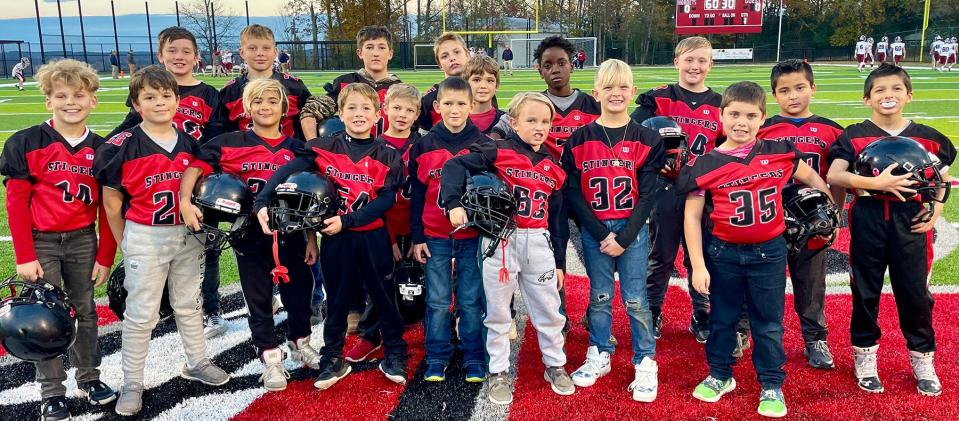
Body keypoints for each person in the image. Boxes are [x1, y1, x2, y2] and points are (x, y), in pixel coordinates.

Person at [680, 81, 833, 418]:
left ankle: (771, 382)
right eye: (734, 114)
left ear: (763, 118)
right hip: (723, 253)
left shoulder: (779, 151)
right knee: (722, 319)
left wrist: (828, 205)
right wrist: (698, 264)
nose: (741, 122)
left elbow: (810, 176)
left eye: (751, 115)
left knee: (768, 322)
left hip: (769, 251)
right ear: (720, 116)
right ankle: (721, 374)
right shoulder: (705, 163)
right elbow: (691, 216)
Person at [254, 83, 409, 389]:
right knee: (336, 300)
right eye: (351, 107)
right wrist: (262, 201)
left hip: (371, 235)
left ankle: (394, 352)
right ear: (340, 113)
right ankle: (333, 358)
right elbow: (285, 172)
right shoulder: (324, 146)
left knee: (383, 298)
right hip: (336, 239)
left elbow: (384, 202)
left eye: (366, 108)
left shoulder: (388, 154)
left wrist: (348, 220)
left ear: (378, 115)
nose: (358, 114)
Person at [97, 65, 230, 417]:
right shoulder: (122, 145)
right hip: (146, 234)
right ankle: (132, 382)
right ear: (137, 104)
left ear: (177, 99)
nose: (160, 102)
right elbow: (111, 204)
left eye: (166, 95)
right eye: (150, 97)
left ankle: (197, 361)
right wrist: (126, 241)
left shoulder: (190, 143)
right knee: (141, 314)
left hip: (186, 235)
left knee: (189, 303)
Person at [179, 78, 321, 392]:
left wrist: (311, 237)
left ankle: (300, 342)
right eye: (258, 101)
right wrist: (185, 200)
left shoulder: (300, 149)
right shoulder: (229, 141)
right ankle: (270, 357)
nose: (265, 107)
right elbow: (194, 168)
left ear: (284, 108)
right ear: (247, 108)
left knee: (300, 294)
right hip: (249, 235)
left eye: (272, 101)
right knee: (258, 299)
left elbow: (307, 198)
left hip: (292, 234)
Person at [826, 63, 955, 397]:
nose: (888, 95)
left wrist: (935, 212)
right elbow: (836, 175)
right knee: (865, 291)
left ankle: (923, 358)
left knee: (914, 294)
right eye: (880, 90)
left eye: (896, 89)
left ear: (909, 96)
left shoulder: (927, 136)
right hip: (868, 215)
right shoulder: (854, 133)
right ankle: (865, 357)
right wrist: (873, 182)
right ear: (867, 98)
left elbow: (943, 180)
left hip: (911, 219)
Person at [1, 58, 118, 421]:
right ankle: (52, 392)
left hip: (83, 240)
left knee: (85, 312)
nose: (71, 102)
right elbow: (16, 202)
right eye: (62, 95)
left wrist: (105, 254)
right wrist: (24, 254)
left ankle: (90, 377)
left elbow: (107, 208)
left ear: (92, 100)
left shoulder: (104, 149)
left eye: (79, 95)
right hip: (42, 241)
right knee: (44, 317)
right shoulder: (27, 142)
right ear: (48, 100)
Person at [441, 91, 574, 404]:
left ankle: (555, 364)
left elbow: (557, 220)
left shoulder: (553, 167)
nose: (539, 126)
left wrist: (560, 262)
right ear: (513, 122)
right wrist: (452, 203)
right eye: (531, 120)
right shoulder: (497, 149)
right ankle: (498, 370)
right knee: (499, 313)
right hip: (501, 241)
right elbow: (454, 167)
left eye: (545, 121)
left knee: (549, 311)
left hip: (539, 241)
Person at [105, 27, 227, 338]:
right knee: (163, 253)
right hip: (156, 182)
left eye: (186, 51)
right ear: (160, 56)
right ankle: (169, 307)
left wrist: (201, 170)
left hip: (198, 182)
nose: (179, 56)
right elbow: (126, 129)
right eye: (172, 51)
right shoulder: (149, 88)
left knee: (205, 249)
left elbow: (214, 141)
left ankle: (210, 309)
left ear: (196, 57)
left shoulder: (209, 94)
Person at [563, 59, 663, 402]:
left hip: (631, 230)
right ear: (596, 93)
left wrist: (623, 237)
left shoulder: (647, 138)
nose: (616, 93)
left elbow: (649, 194)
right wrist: (601, 233)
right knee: (600, 296)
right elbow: (573, 192)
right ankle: (599, 352)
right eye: (608, 87)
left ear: (633, 92)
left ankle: (646, 360)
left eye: (623, 87)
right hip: (595, 230)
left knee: (636, 299)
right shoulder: (579, 139)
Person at [630, 36, 724, 346]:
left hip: (703, 189)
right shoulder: (659, 98)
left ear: (710, 65)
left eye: (701, 60)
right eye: (689, 59)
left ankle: (702, 312)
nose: (694, 66)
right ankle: (654, 309)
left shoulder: (721, 105)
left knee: (702, 255)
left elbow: (730, 149)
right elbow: (633, 133)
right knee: (662, 254)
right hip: (666, 186)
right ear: (676, 62)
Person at [756, 59, 845, 369]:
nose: (792, 96)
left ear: (812, 88)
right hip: (769, 218)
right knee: (761, 281)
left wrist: (833, 214)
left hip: (813, 221)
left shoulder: (833, 130)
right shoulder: (763, 129)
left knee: (811, 283)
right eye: (784, 90)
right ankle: (748, 332)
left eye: (799, 88)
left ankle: (815, 338)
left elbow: (837, 176)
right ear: (774, 95)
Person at [408, 77, 487, 383]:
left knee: (470, 299)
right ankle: (438, 354)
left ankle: (473, 356)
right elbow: (417, 194)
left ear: (472, 106)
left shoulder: (483, 142)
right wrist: (417, 236)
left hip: (471, 235)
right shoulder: (424, 145)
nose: (455, 110)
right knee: (438, 300)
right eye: (449, 104)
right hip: (436, 235)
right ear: (437, 106)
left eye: (461, 104)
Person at [345, 83, 422, 362]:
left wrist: (418, 233)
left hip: (414, 224)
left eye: (409, 110)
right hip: (380, 227)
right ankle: (369, 334)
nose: (402, 115)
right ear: (384, 110)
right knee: (379, 282)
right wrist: (388, 238)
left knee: (419, 282)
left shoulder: (421, 145)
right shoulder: (374, 146)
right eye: (397, 108)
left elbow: (424, 193)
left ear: (417, 114)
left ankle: (426, 326)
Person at [300, 25, 404, 140]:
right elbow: (309, 112)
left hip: (390, 155)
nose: (376, 53)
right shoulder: (346, 84)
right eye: (369, 47)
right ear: (360, 53)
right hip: (351, 155)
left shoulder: (400, 90)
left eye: (382, 47)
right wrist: (313, 144)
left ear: (390, 54)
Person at [217, 24, 311, 142]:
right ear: (242, 52)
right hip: (243, 156)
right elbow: (220, 131)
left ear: (275, 52)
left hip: (287, 156)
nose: (260, 53)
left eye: (266, 48)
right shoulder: (230, 91)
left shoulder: (295, 87)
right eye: (252, 48)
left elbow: (308, 120)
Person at [418, 33, 471, 131]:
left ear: (467, 55)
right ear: (440, 65)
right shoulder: (430, 98)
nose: (452, 58)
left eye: (457, 52)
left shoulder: (480, 92)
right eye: (445, 56)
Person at [463, 56, 506, 135]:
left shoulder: (506, 121)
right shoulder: (456, 119)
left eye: (490, 81)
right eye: (477, 80)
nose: (483, 86)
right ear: (466, 84)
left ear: (496, 85)